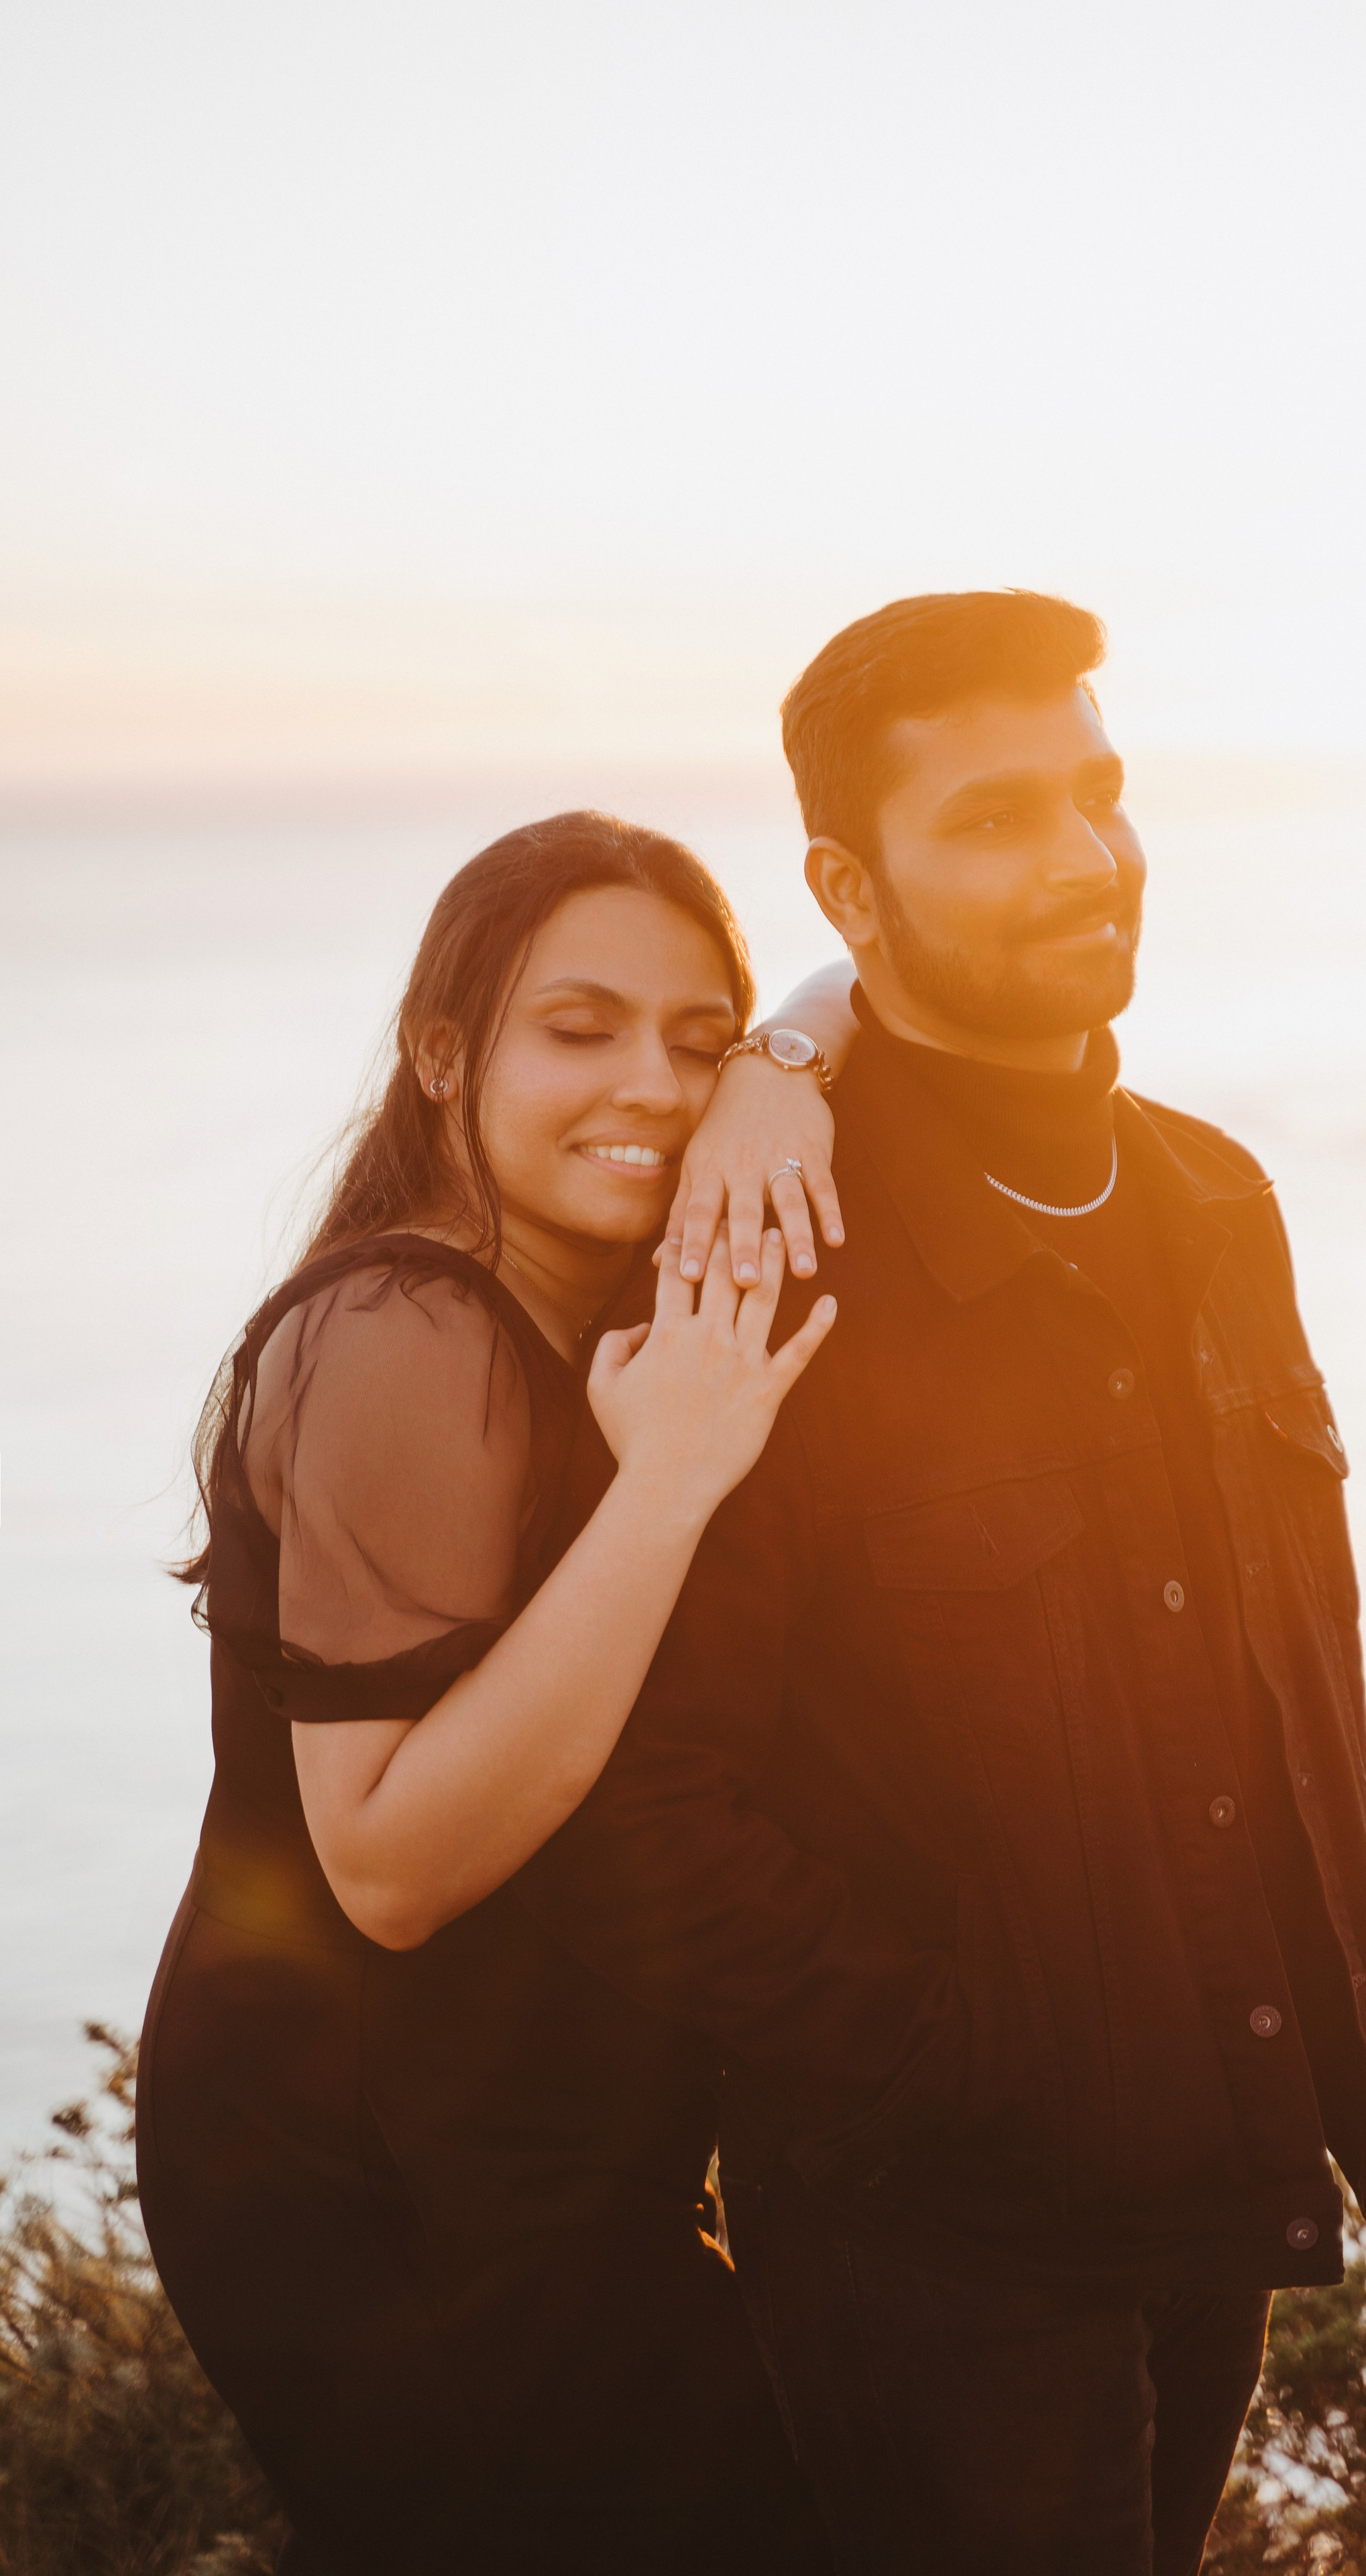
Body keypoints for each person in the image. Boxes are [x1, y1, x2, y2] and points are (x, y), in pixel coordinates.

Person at [515, 594, 1366, 2573]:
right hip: (954, 2251)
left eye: (1096, 797)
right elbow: (642, 1805)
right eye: (995, 820)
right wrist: (971, 2067)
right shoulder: (770, 1259)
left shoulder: (1218, 1201)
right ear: (849, 882)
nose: (1086, 859)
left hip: (1222, 2181)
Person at [136, 808, 858, 2573]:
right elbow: (386, 1867)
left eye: (693, 1037)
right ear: (443, 1055)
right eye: (580, 1028)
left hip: (537, 2138)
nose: (654, 1088)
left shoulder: (563, 1315)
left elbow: (861, 978)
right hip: (370, 2174)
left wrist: (784, 1062)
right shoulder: (405, 1330)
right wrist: (672, 1483)